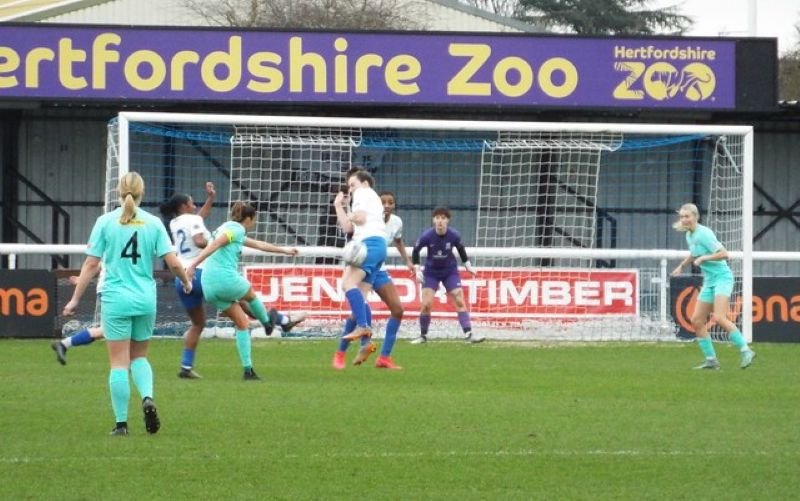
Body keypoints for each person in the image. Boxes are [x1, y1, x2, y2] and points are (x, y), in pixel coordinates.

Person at [63, 171, 192, 436]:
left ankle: (121, 424)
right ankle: (147, 397)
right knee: (140, 356)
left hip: (116, 298)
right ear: (142, 193)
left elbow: (90, 264)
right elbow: (174, 262)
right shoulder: (154, 223)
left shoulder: (105, 222)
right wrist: (186, 282)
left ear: (118, 193)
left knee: (119, 363)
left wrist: (75, 298)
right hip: (145, 298)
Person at [185, 202, 298, 381]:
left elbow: (259, 244)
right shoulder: (236, 230)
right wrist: (192, 265)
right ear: (248, 219)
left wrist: (284, 250)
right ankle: (268, 323)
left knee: (243, 324)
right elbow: (215, 244)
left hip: (209, 286)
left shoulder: (228, 227)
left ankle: (248, 370)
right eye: (253, 219)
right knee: (251, 295)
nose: (254, 223)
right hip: (223, 278)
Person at [332, 186, 415, 370]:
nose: (386, 205)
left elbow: (398, 241)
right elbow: (349, 228)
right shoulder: (367, 218)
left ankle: (384, 358)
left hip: (380, 270)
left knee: (398, 310)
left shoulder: (396, 222)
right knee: (358, 311)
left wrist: (407, 261)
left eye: (390, 202)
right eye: (383, 202)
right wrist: (342, 208)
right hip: (365, 266)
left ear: (394, 206)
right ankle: (340, 353)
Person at [670, 202, 756, 369]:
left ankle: (746, 350)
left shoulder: (704, 234)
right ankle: (711, 360)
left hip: (722, 278)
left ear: (695, 217)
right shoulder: (690, 235)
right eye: (681, 216)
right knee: (696, 320)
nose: (684, 219)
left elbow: (724, 254)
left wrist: (705, 259)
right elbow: (695, 254)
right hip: (710, 281)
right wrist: (682, 265)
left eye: (687, 216)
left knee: (719, 317)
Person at [158, 182, 216, 379]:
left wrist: (211, 199)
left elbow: (200, 217)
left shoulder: (175, 223)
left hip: (182, 279)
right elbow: (200, 240)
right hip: (200, 273)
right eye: (191, 203)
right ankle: (277, 321)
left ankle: (186, 366)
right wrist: (219, 243)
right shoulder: (192, 220)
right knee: (238, 297)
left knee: (198, 324)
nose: (194, 205)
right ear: (184, 206)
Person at [331, 169, 388, 367]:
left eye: (352, 185)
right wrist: (339, 206)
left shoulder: (363, 193)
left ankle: (364, 328)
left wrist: (351, 212)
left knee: (347, 284)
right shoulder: (371, 199)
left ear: (364, 182)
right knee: (360, 302)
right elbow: (347, 227)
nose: (351, 189)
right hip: (378, 246)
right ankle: (365, 342)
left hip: (369, 244)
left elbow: (360, 218)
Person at [410, 207, 484, 344]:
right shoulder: (427, 235)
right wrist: (417, 269)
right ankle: (423, 336)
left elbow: (461, 249)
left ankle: (469, 333)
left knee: (459, 299)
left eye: (443, 218)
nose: (440, 221)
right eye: (437, 218)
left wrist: (467, 265)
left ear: (447, 221)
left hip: (449, 271)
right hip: (431, 272)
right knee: (426, 304)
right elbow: (416, 251)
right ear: (433, 220)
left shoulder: (454, 235)